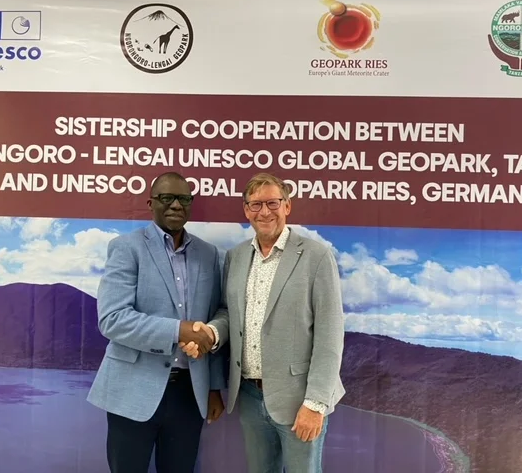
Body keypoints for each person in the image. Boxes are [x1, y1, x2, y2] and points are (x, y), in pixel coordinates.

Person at [180, 172, 345, 473]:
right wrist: (211, 333)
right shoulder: (236, 256)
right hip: (250, 397)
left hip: (299, 399)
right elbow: (228, 312)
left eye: (272, 203)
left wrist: (315, 403)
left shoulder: (316, 256)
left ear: (287, 206)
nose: (264, 212)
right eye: (256, 204)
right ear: (246, 210)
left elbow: (330, 335)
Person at [87, 171, 225, 473]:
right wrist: (178, 330)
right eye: (167, 198)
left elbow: (218, 314)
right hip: (132, 391)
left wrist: (214, 386)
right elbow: (113, 319)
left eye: (184, 199)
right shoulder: (127, 247)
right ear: (151, 203)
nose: (176, 205)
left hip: (189, 394)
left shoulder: (209, 254)